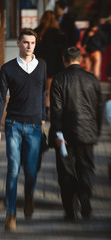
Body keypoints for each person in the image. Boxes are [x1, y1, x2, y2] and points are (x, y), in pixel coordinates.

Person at [0, 28, 46, 232]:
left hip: (34, 126)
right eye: (25, 42)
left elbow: (42, 93)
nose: (29, 46)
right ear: (18, 44)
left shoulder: (42, 66)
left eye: (32, 42)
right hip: (13, 125)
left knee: (31, 172)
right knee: (13, 169)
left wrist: (43, 120)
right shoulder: (7, 69)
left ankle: (29, 195)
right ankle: (11, 214)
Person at [49, 47, 103, 221]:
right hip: (88, 133)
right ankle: (85, 203)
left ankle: (70, 210)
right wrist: (96, 131)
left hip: (65, 135)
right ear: (80, 60)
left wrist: (57, 133)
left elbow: (56, 111)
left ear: (64, 60)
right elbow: (98, 108)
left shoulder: (59, 79)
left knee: (66, 172)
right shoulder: (92, 80)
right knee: (86, 169)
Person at [34, 10, 65, 120]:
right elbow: (61, 51)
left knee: (40, 90)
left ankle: (41, 111)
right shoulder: (58, 33)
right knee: (51, 91)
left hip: (38, 65)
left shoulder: (36, 32)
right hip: (53, 67)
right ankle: (49, 112)